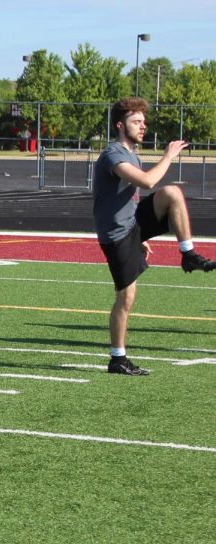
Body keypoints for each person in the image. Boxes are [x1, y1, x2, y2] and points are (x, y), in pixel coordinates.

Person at [92, 96, 214, 376]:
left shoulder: (131, 152)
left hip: (131, 225)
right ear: (121, 125)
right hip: (116, 234)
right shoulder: (113, 154)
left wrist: (142, 233)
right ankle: (117, 359)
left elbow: (131, 197)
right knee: (126, 296)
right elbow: (146, 181)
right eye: (137, 121)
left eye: (144, 121)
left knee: (172, 193)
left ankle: (188, 254)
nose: (143, 126)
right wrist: (169, 156)